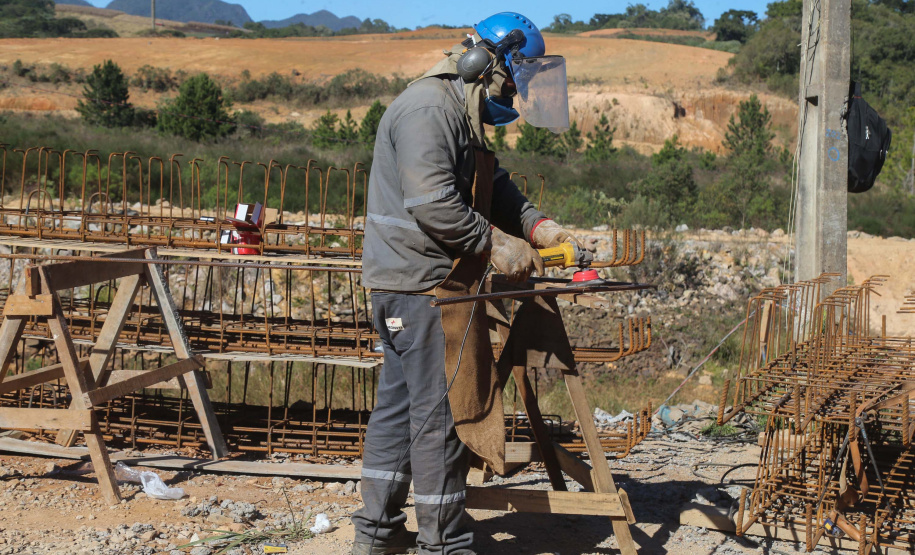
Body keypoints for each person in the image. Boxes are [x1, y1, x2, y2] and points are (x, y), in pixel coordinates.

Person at [352, 12, 581, 555]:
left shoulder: (460, 112)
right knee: (442, 420)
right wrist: (498, 245)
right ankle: (445, 543)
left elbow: (495, 187)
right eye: (510, 80)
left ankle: (377, 535)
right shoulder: (429, 110)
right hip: (424, 287)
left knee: (399, 412)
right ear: (484, 62)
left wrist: (536, 225)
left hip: (420, 285)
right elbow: (434, 204)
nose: (513, 94)